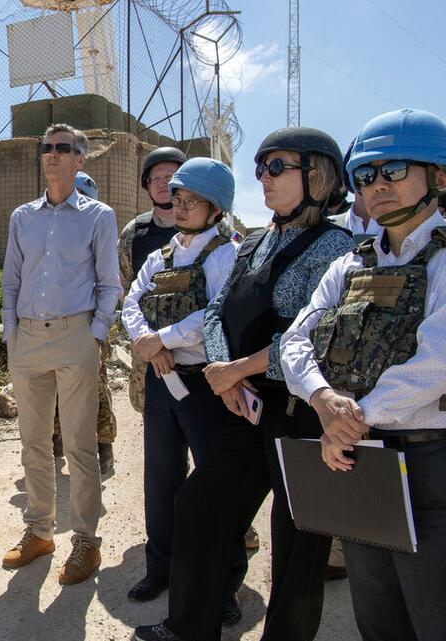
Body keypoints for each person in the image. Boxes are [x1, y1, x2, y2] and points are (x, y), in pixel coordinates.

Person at [134, 127, 355, 641]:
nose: (264, 178)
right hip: (246, 405)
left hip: (302, 413)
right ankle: (189, 628)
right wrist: (224, 374)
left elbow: (310, 337)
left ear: (318, 176)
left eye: (277, 167)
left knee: (296, 541)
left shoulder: (334, 247)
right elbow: (217, 311)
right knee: (200, 505)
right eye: (260, 168)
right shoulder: (256, 241)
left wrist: (239, 370)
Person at [281, 108, 446, 641]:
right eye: (365, 175)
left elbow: (442, 361)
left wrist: (350, 418)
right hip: (359, 457)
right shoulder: (351, 265)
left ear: (439, 176)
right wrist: (322, 398)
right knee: (377, 615)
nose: (377, 185)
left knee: (441, 619)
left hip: (434, 463)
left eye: (394, 170)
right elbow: (295, 340)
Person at [0, 123, 121, 585]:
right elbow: (11, 279)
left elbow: (109, 283)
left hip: (75, 336)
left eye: (62, 148)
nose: (52, 153)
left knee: (79, 444)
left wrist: (95, 334)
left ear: (79, 160)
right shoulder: (22, 217)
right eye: (46, 147)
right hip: (27, 338)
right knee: (33, 443)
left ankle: (86, 541)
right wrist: (12, 333)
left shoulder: (99, 216)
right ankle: (39, 531)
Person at [121, 158, 239, 604]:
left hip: (205, 384)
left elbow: (216, 312)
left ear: (217, 208)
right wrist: (148, 344)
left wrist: (163, 338)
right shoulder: (162, 255)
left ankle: (223, 584)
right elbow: (132, 301)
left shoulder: (227, 254)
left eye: (193, 201)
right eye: (179, 198)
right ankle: (162, 568)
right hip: (161, 380)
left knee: (213, 485)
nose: (182, 207)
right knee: (161, 481)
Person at [119, 147, 188, 415]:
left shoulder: (208, 228)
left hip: (194, 350)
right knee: (155, 425)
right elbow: (126, 292)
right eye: (155, 179)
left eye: (169, 177)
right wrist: (151, 343)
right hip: (149, 352)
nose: (162, 184)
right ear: (146, 186)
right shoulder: (134, 233)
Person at [75, 170, 117, 475]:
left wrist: (100, 327)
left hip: (91, 320)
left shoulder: (100, 229)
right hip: (57, 322)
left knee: (96, 383)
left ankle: (104, 445)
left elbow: (109, 283)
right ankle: (57, 438)